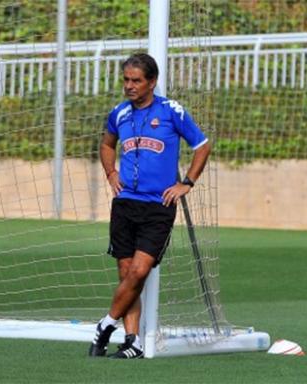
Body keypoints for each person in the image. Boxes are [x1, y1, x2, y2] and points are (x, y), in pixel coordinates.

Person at [88, 53, 211, 359]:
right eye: (126, 80)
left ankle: (105, 325)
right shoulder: (119, 113)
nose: (129, 86)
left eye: (136, 80)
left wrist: (188, 183)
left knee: (140, 271)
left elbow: (202, 145)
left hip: (158, 206)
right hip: (125, 204)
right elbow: (106, 145)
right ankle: (133, 342)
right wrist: (111, 173)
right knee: (126, 272)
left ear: (152, 82)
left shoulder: (171, 111)